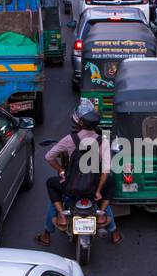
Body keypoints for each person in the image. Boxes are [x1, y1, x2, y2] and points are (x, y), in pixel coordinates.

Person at [34, 101, 121, 246]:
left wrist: (61, 170)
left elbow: (48, 157)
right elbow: (105, 170)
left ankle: (54, 224)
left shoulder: (69, 139)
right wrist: (98, 191)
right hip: (92, 189)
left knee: (52, 186)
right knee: (110, 182)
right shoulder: (103, 142)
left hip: (70, 187)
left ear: (79, 122)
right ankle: (107, 222)